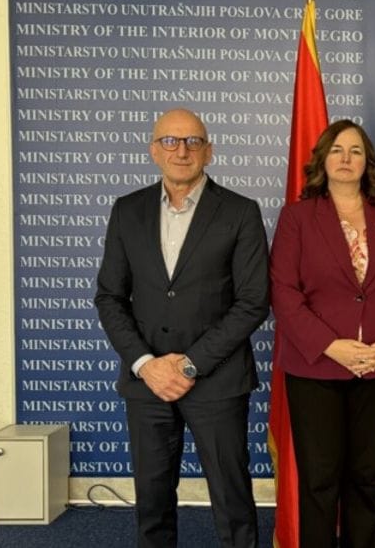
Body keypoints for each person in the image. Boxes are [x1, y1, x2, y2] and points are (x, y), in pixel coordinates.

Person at [95, 108, 268, 548]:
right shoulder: (127, 211)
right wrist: (146, 365)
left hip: (218, 381)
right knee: (152, 501)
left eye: (193, 141)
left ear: (209, 151)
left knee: (232, 500)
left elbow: (253, 302)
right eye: (170, 141)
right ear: (154, 150)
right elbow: (110, 297)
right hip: (148, 382)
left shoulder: (241, 212)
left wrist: (189, 365)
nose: (182, 151)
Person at [269, 119, 375, 547]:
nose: (345, 158)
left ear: (367, 162)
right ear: (322, 159)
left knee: (364, 475)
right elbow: (283, 291)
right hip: (315, 368)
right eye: (336, 150)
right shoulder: (298, 217)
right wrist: (331, 346)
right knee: (319, 479)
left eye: (355, 151)